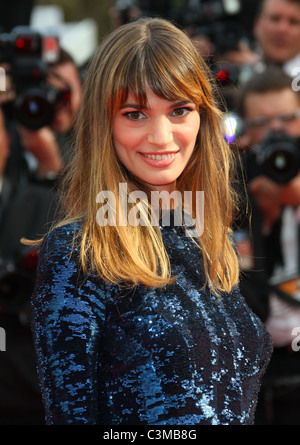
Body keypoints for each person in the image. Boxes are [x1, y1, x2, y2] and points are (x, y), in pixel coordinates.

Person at [30, 17, 272, 426]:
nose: (161, 137)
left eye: (179, 110)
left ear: (202, 118)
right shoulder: (78, 253)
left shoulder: (207, 239)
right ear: (104, 123)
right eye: (135, 113)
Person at [237, 66, 300, 424]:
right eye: (262, 123)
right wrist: (258, 220)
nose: (277, 132)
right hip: (254, 378)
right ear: (244, 132)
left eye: (288, 118)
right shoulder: (230, 195)